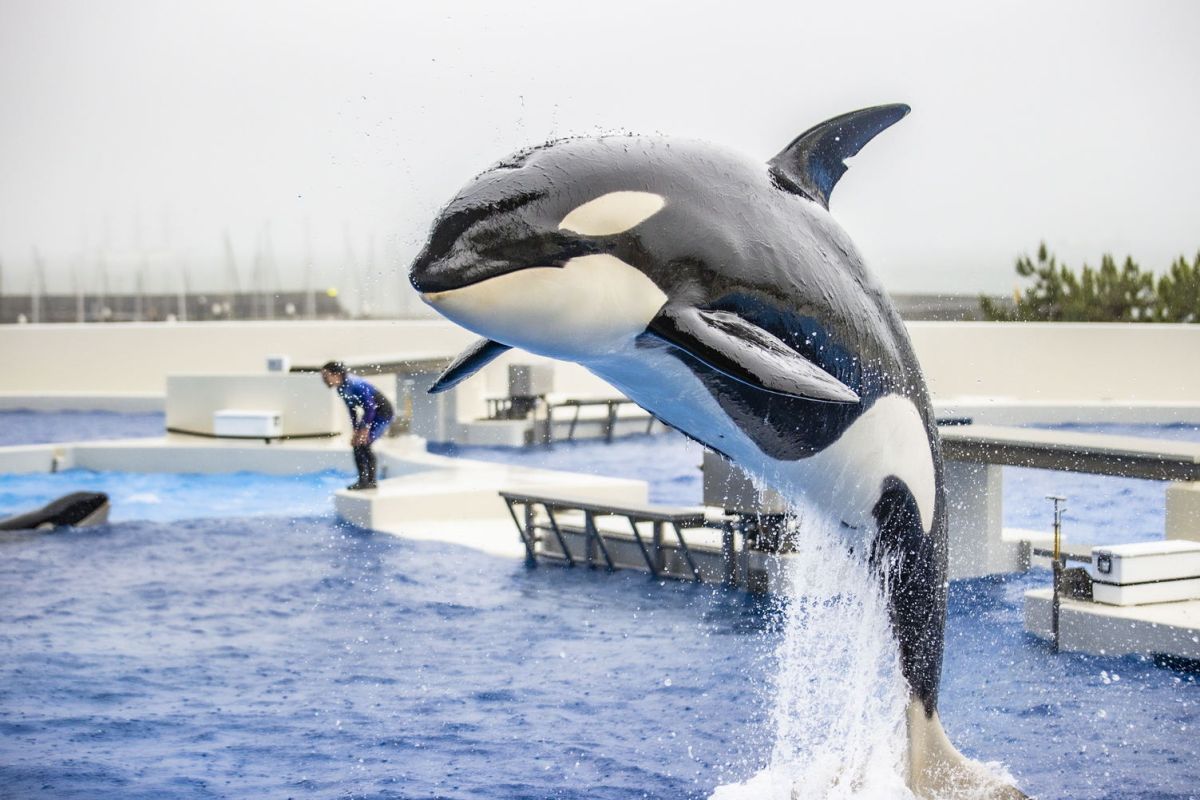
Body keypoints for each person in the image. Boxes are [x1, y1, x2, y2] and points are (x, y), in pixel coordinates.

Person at [320, 361, 394, 490]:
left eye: (326, 376)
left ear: (336, 374)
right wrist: (355, 429)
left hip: (382, 413)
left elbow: (371, 407)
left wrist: (365, 429)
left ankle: (371, 482)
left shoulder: (356, 384)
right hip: (370, 414)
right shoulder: (341, 388)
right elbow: (352, 409)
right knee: (356, 444)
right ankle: (362, 480)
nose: (324, 379)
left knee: (364, 444)